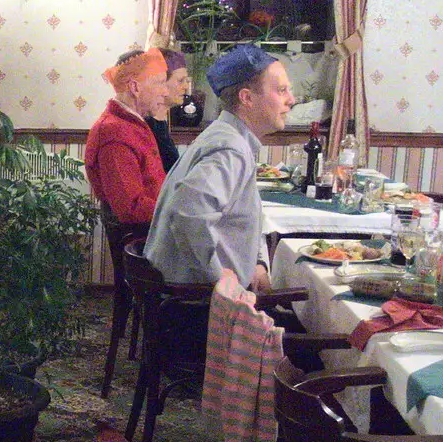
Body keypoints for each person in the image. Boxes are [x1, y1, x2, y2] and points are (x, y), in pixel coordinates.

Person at [144, 45, 295, 291]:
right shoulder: (230, 149)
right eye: (281, 90)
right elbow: (187, 215)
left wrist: (256, 263)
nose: (292, 100)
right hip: (196, 304)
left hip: (191, 296)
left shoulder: (226, 136)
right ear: (246, 98)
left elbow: (243, 222)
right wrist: (219, 277)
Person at [84, 47, 174, 225]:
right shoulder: (113, 132)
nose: (166, 92)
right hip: (143, 243)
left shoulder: (131, 124)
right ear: (134, 87)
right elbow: (131, 209)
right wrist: (180, 214)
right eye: (160, 82)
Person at [148, 49, 192, 172]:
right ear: (161, 81)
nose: (186, 87)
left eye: (186, 81)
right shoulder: (148, 128)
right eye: (180, 81)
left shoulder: (161, 124)